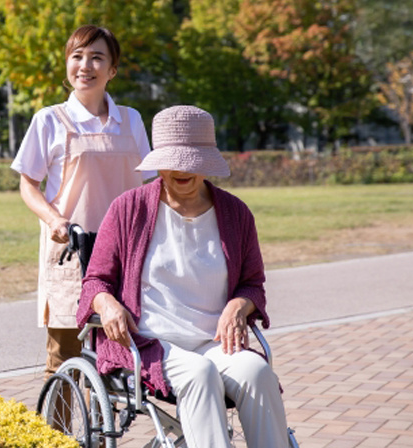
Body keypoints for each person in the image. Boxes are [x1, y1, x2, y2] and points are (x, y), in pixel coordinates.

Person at [76, 105, 289, 447]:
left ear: (207, 161)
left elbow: (252, 283)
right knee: (199, 374)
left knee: (258, 373)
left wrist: (239, 306)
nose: (180, 169)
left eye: (191, 159)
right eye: (172, 159)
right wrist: (108, 304)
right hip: (152, 343)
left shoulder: (236, 214)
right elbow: (95, 281)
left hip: (217, 343)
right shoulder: (128, 210)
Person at [11, 25, 154, 378]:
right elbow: (28, 184)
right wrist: (53, 219)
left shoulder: (131, 120)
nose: (85, 65)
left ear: (112, 70)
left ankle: (104, 433)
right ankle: (54, 434)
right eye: (76, 56)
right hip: (72, 250)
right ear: (67, 65)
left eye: (96, 57)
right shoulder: (49, 120)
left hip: (124, 251)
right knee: (64, 358)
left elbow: (150, 184)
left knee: (119, 354)